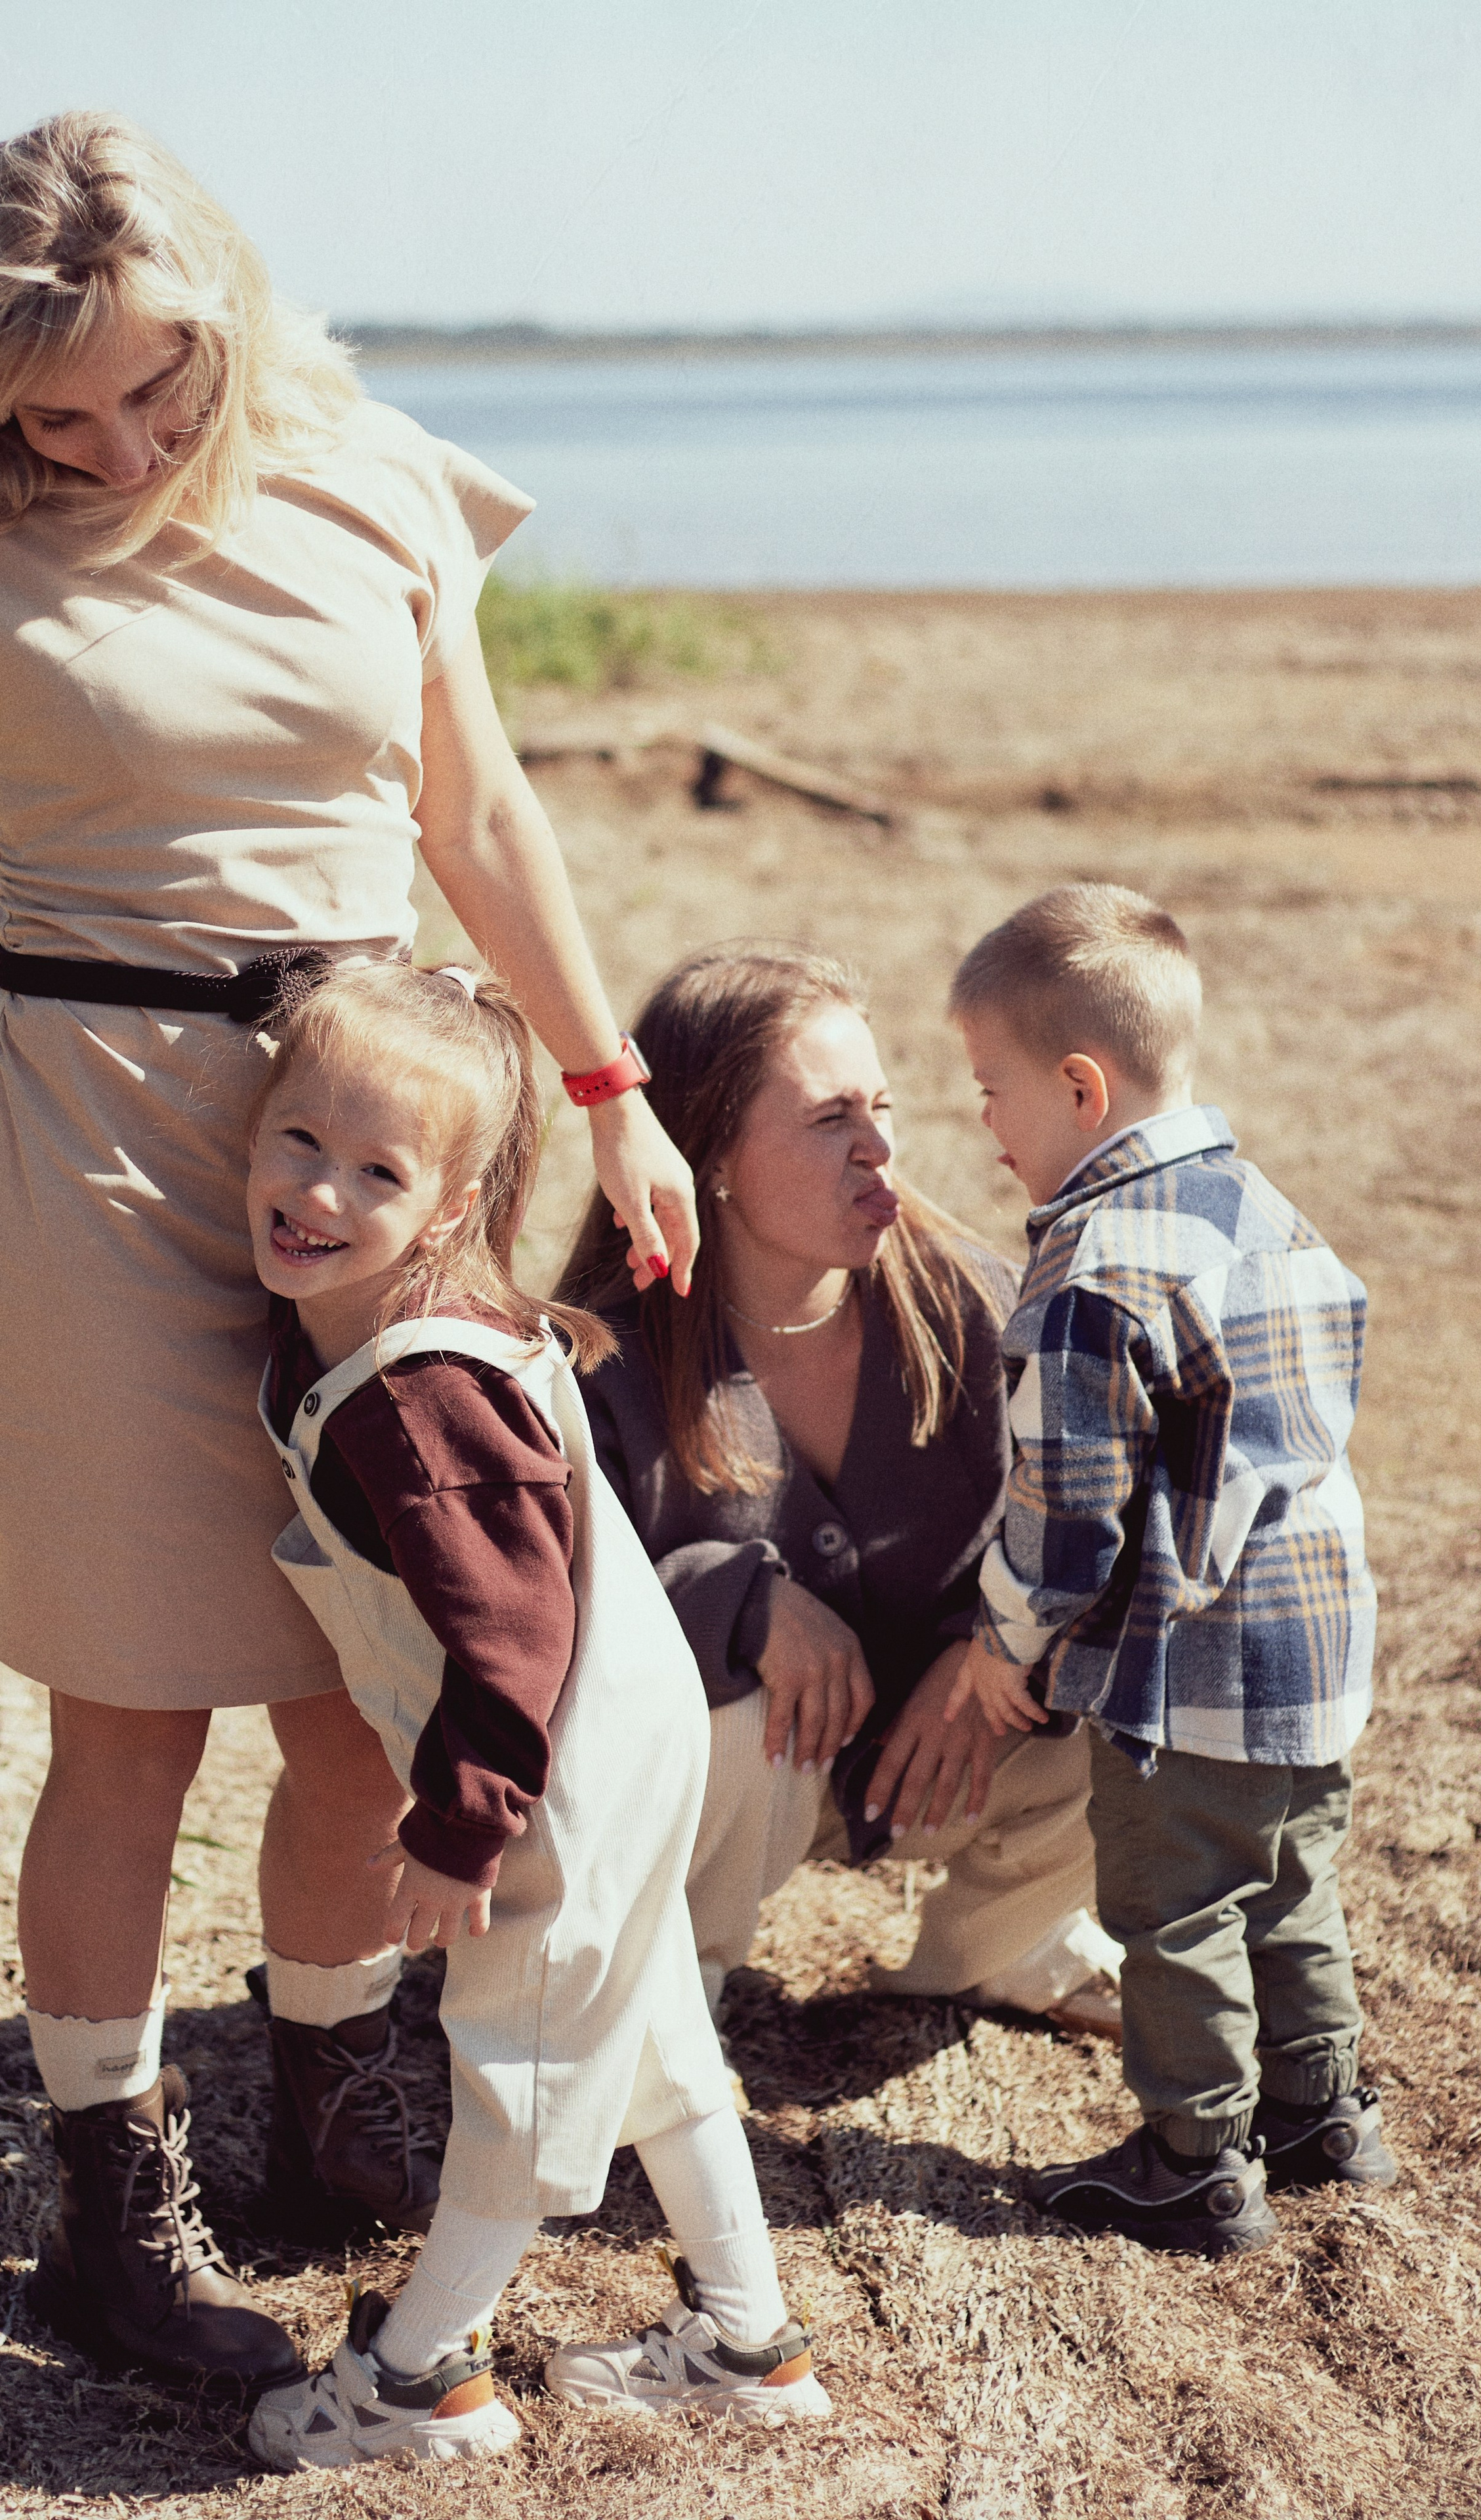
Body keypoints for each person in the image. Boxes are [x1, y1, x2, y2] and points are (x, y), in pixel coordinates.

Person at [0, 112, 698, 2394]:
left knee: (354, 1695)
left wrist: (609, 1091)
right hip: (80, 1139)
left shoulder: (375, 475)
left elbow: (475, 806)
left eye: (149, 387)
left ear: (226, 308)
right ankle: (114, 2199)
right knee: (135, 1715)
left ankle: (324, 2093)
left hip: (375, 1127)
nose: (107, 443)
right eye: (51, 415)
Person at [242, 960, 830, 2468]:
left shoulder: (418, 1391)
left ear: (443, 1210)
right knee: (642, 2042)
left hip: (557, 1769)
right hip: (621, 1742)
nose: (315, 1190)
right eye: (294, 1138)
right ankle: (749, 2342)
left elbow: (510, 1637)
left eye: (373, 1170)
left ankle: (421, 2381)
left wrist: (458, 1827)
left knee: (525, 2069)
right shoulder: (418, 1321)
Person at [560, 944, 1125, 2081]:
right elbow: (555, 1618)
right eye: (829, 1119)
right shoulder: (599, 1355)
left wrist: (992, 1649)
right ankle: (673, 1988)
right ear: (706, 1151)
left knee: (1149, 1675)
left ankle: (1001, 1943)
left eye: (881, 1108)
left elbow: (1101, 1525)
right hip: (727, 1787)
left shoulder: (978, 1305)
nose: (880, 1148)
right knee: (711, 1683)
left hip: (952, 1757)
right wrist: (738, 1601)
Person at [945, 883, 1396, 2259]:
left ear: (1079, 1087)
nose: (980, 1119)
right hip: (1317, 1638)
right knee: (1285, 1875)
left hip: (1188, 1660)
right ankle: (1320, 2112)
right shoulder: (1256, 1205)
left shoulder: (1088, 1270)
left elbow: (1068, 1523)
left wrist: (1001, 1641)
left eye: (989, 1087)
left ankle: (1195, 2156)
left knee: (1172, 1902)